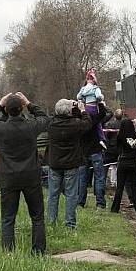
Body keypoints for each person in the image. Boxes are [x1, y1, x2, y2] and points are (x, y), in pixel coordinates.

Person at [0, 92, 49, 253]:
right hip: (31, 176)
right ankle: (38, 252)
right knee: (37, 217)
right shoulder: (31, 127)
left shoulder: (0, 128)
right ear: (21, 109)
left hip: (8, 177)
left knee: (8, 218)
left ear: (6, 109)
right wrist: (30, 103)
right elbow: (45, 118)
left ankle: (9, 253)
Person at [46, 98, 93, 229]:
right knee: (71, 194)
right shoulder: (75, 124)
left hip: (55, 163)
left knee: (53, 194)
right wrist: (82, 109)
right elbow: (88, 123)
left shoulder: (51, 124)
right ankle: (70, 223)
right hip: (71, 163)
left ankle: (51, 222)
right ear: (69, 112)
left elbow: (47, 116)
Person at [78, 100, 111, 210]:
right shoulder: (94, 120)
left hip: (83, 151)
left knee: (82, 178)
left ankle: (80, 202)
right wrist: (100, 103)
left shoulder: (80, 121)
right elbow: (103, 114)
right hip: (95, 150)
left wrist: (79, 105)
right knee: (99, 177)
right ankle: (100, 203)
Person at [110, 117, 136, 216]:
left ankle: (115, 208)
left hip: (123, 161)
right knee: (135, 187)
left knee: (120, 187)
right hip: (134, 162)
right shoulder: (135, 135)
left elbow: (117, 149)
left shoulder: (120, 137)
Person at [77, 69, 105, 146]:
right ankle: (102, 139)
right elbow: (99, 97)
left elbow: (78, 96)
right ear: (94, 80)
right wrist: (100, 99)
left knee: (86, 121)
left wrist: (83, 100)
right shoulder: (95, 88)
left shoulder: (83, 89)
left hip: (86, 107)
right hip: (93, 107)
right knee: (97, 123)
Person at [103, 109, 123, 186]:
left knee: (106, 166)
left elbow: (107, 136)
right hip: (120, 148)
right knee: (118, 166)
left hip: (111, 147)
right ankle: (118, 182)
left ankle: (104, 183)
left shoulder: (109, 124)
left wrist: (106, 146)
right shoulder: (124, 124)